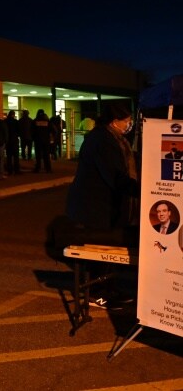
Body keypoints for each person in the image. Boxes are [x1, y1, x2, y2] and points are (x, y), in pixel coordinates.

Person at [65, 103, 139, 308]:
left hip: (102, 206)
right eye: (126, 121)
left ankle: (107, 287)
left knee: (108, 249)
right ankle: (96, 292)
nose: (129, 124)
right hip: (96, 206)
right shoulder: (102, 140)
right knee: (103, 249)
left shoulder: (110, 137)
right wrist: (143, 191)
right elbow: (115, 176)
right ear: (114, 122)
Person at [32, 109, 52, 173]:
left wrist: (33, 138)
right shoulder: (47, 121)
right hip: (46, 141)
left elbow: (32, 131)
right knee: (46, 155)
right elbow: (53, 130)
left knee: (38, 156)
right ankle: (48, 169)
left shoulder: (35, 121)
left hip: (37, 141)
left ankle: (38, 168)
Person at [4, 110, 21, 175]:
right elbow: (19, 131)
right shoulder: (16, 122)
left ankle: (10, 171)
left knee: (9, 157)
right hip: (14, 141)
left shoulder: (5, 121)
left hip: (8, 141)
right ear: (13, 115)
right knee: (16, 157)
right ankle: (16, 170)